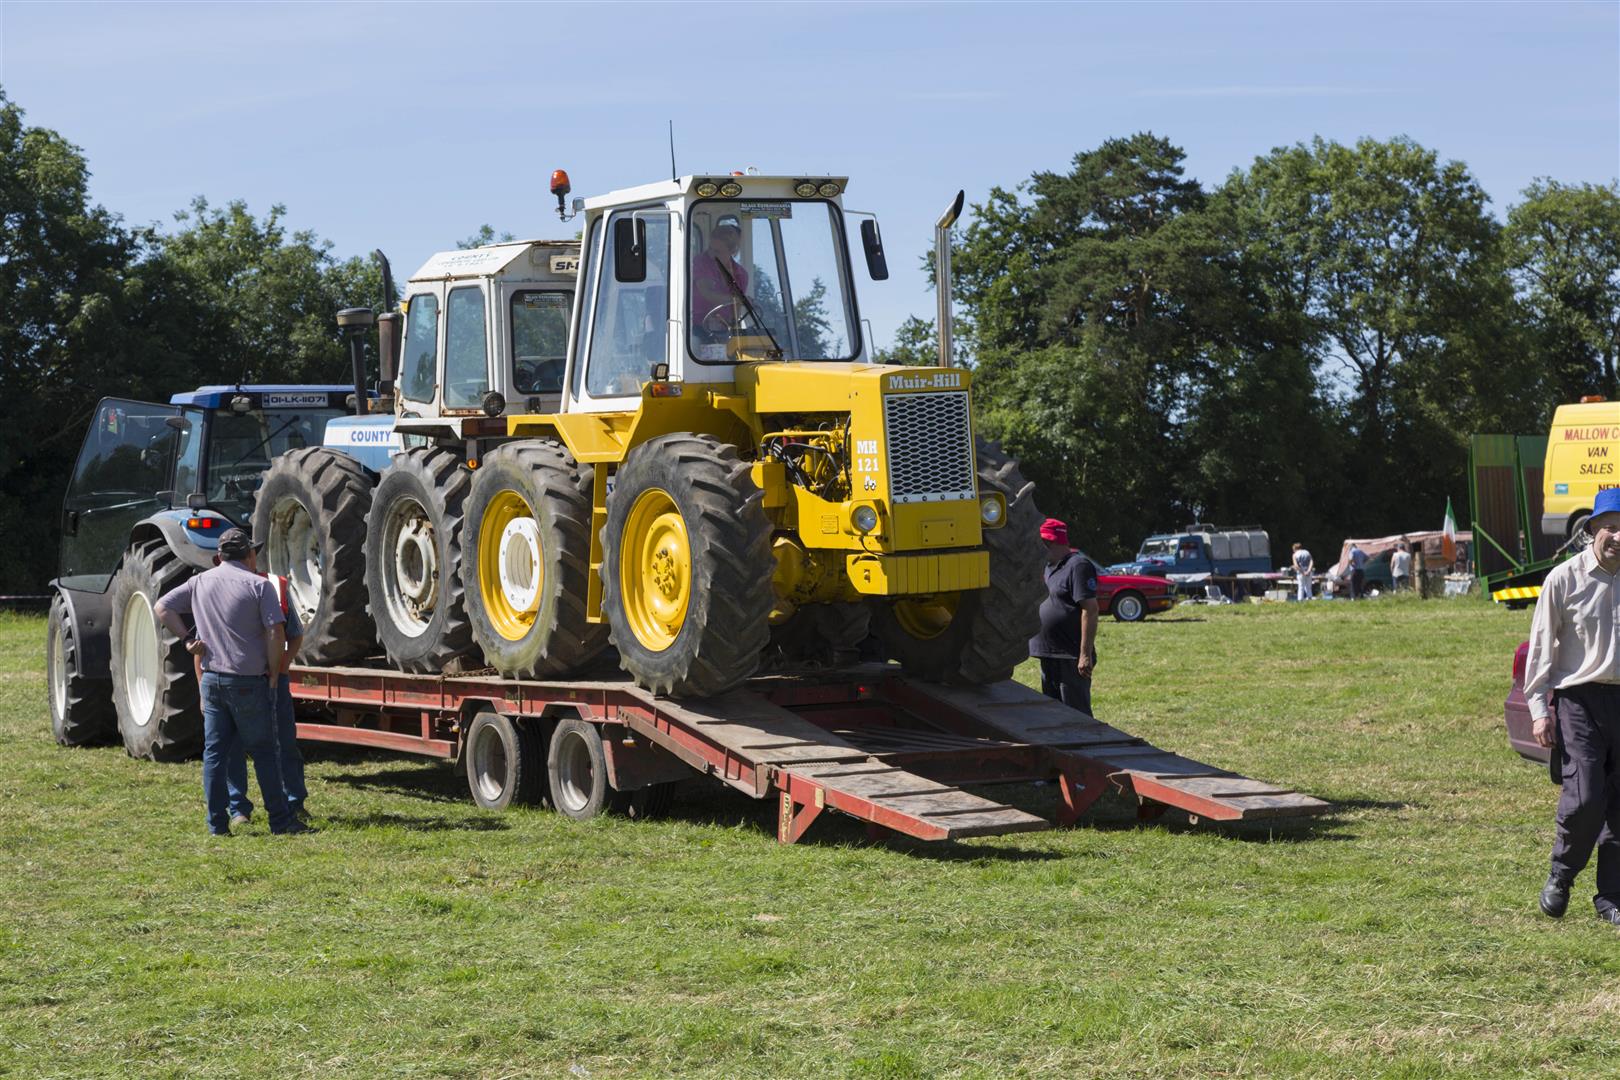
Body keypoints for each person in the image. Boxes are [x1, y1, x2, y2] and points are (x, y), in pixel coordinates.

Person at [155, 528, 310, 836]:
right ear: (249, 555)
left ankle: (217, 825)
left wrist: (186, 639)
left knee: (215, 754)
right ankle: (281, 821)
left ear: (219, 556)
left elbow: (162, 607)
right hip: (248, 681)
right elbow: (276, 633)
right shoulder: (260, 585)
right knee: (264, 751)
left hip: (212, 680)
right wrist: (274, 672)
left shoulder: (199, 582)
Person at [1523, 486, 1620, 928]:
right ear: (1593, 529)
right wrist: (1539, 709)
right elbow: (1541, 646)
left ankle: (1612, 897)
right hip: (1579, 700)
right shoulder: (1564, 579)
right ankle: (1561, 875)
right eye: (1610, 527)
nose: (1617, 536)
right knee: (1585, 797)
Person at [213, 570, 308, 826]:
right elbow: (204, 640)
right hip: (238, 678)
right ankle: (239, 808)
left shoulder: (274, 585)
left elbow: (294, 633)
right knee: (233, 745)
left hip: (271, 678)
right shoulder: (213, 585)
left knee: (284, 741)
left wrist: (282, 666)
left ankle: (293, 802)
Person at [1028, 518, 1100, 714]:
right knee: (1053, 714)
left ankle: (1083, 737)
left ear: (1049, 542)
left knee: (1076, 715)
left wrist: (1084, 655)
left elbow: (1090, 609)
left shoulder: (1078, 566)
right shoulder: (1048, 568)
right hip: (1049, 653)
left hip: (1069, 656)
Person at [690, 215, 750, 339]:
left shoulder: (741, 275)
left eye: (717, 251)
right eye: (710, 249)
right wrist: (736, 299)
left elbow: (736, 312)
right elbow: (707, 293)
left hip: (724, 329)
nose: (711, 255)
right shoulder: (700, 262)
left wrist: (736, 335)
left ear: (733, 251)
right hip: (694, 329)